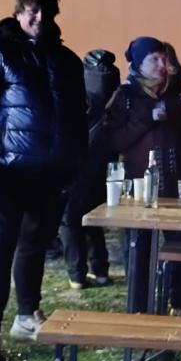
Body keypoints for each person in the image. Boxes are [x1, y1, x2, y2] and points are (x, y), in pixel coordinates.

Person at [0, 0, 86, 361]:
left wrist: (74, 164)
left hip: (50, 173)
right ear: (18, 13)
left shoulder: (67, 60)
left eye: (46, 11)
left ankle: (27, 314)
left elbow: (77, 115)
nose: (39, 18)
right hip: (5, 171)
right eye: (32, 11)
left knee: (33, 246)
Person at [104, 36, 181, 314]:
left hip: (176, 181)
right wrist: (148, 119)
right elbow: (114, 141)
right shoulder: (125, 96)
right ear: (138, 63)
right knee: (139, 247)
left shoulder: (175, 91)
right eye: (154, 59)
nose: (161, 64)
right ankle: (139, 309)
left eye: (163, 58)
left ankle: (179, 303)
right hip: (139, 185)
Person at [60, 48, 120, 288]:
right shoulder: (116, 92)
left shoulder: (80, 94)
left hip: (76, 164)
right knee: (94, 220)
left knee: (70, 220)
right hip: (106, 165)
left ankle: (76, 274)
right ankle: (101, 270)